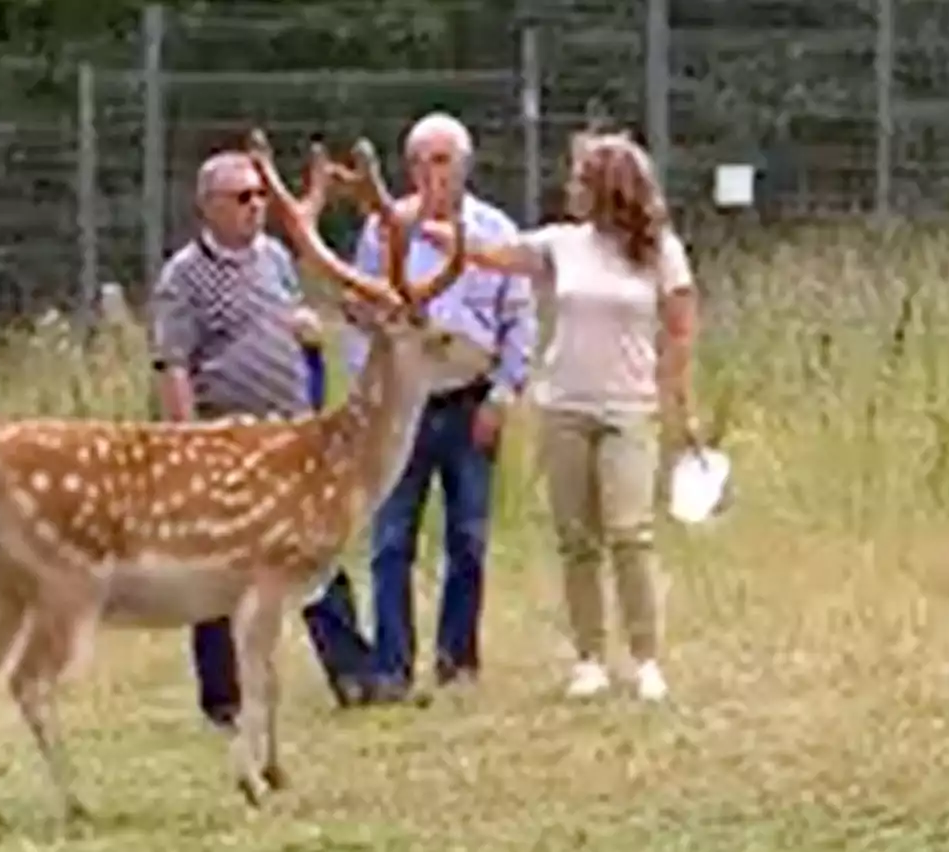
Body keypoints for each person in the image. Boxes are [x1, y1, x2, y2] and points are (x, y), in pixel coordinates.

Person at [418, 126, 702, 702]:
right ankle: (590, 658)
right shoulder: (561, 245)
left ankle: (645, 658)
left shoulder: (660, 251)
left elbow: (680, 331)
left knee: (630, 532)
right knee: (577, 539)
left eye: (580, 179)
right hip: (565, 406)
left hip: (628, 408)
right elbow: (491, 253)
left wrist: (678, 402)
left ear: (609, 187)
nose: (570, 188)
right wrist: (425, 223)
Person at [148, 150, 374, 726]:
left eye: (260, 197)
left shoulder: (274, 258)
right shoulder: (184, 277)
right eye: (242, 198)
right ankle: (223, 697)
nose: (256, 208)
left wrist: (306, 327)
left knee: (316, 554)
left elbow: (290, 317)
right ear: (208, 206)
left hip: (289, 440)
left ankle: (356, 676)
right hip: (226, 443)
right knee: (218, 568)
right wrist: (185, 447)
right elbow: (172, 363)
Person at [342, 112, 538, 703]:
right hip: (401, 405)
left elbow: (519, 318)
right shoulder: (384, 232)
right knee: (390, 539)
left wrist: (503, 395)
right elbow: (361, 312)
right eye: (419, 162)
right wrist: (368, 391)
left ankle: (458, 663)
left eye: (441, 160)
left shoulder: (495, 231)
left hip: (469, 401)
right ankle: (393, 667)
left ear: (464, 166)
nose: (429, 173)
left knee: (469, 537)